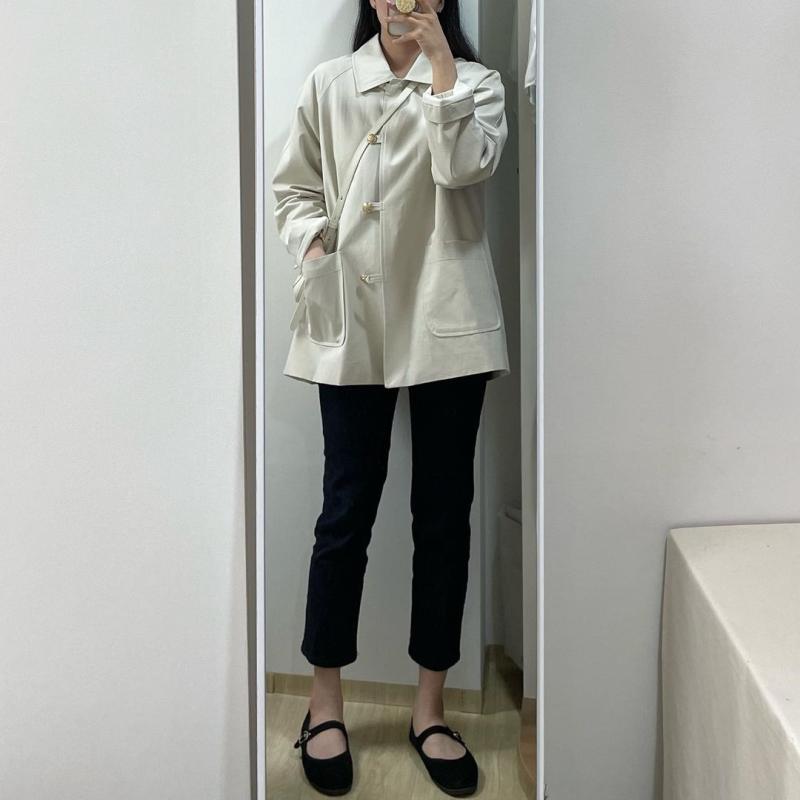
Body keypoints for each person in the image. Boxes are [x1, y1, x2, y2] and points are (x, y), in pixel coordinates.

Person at [271, 0, 510, 794]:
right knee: (345, 512)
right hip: (356, 319)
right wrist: (316, 250)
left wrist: (441, 68)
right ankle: (324, 705)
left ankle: (430, 710)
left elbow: (465, 168)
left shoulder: (476, 83)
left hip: (446, 320)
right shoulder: (331, 83)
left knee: (443, 518)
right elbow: (293, 187)